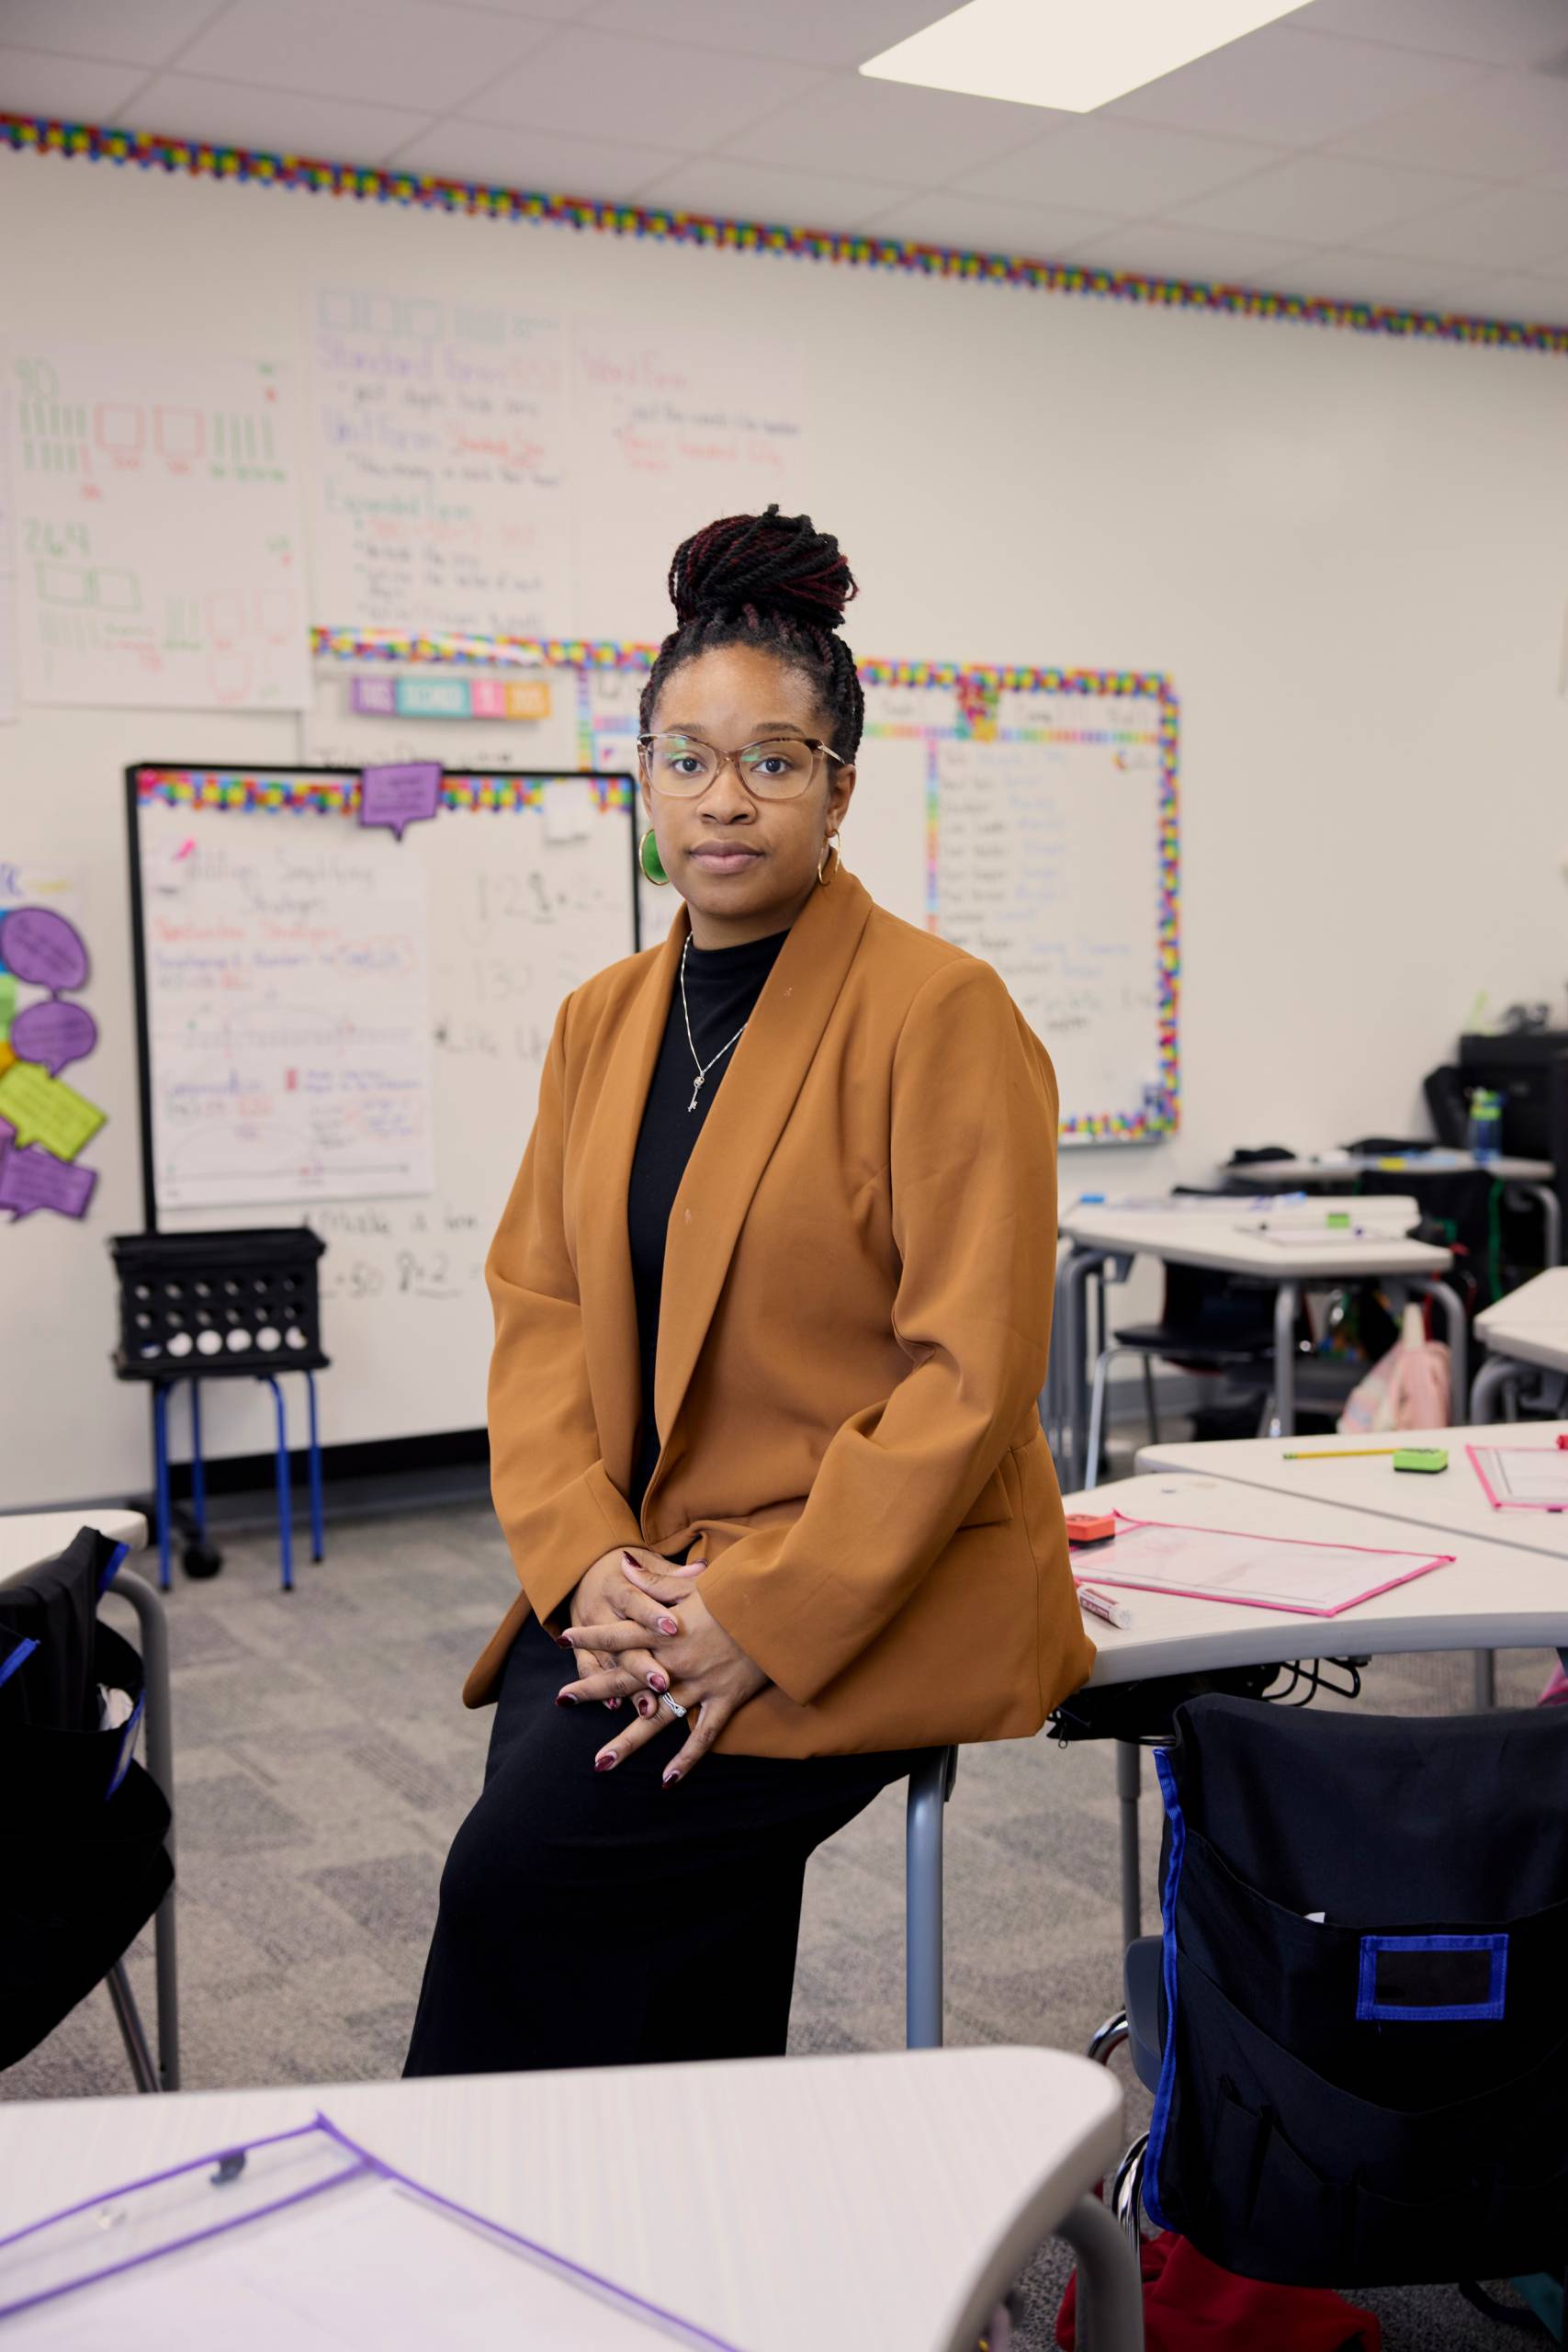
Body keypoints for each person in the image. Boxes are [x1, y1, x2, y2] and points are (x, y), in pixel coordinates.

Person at [404, 506, 1091, 2075]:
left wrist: (763, 1615)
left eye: (775, 761)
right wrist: (584, 1560)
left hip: (863, 1582)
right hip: (641, 1573)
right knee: (625, 1877)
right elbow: (541, 1309)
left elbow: (968, 1376)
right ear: (642, 775)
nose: (728, 799)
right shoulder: (603, 1018)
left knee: (522, 1876)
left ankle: (460, 2268)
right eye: (689, 758)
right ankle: (683, 2261)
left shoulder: (940, 1013)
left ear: (840, 789)